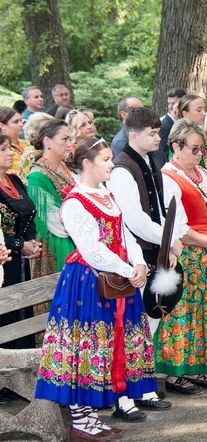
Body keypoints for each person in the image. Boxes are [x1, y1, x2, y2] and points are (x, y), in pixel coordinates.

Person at [34, 137, 155, 441]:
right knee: (85, 347)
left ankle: (90, 418)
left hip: (114, 278)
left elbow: (125, 234)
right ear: (87, 163)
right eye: (104, 159)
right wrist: (128, 270)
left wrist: (138, 262)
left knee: (107, 346)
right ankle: (80, 421)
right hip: (88, 282)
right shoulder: (75, 201)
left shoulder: (105, 193)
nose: (111, 163)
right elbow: (91, 250)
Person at [108, 107, 183, 418]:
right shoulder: (123, 168)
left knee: (148, 324)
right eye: (152, 133)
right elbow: (133, 219)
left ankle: (142, 385)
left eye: (158, 132)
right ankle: (125, 393)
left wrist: (172, 240)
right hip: (135, 257)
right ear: (133, 134)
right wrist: (166, 241)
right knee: (131, 327)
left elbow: (160, 209)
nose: (157, 136)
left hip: (154, 249)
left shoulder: (150, 161)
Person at [155, 119, 207, 394]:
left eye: (202, 150)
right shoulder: (167, 177)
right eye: (195, 149)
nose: (199, 154)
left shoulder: (203, 174)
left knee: (206, 311)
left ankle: (199, 368)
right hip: (187, 255)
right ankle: (176, 374)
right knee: (183, 312)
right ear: (176, 146)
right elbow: (177, 227)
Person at [0, 134, 41, 348]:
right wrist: (18, 245)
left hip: (20, 259)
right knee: (6, 312)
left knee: (22, 308)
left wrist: (31, 242)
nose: (10, 153)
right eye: (3, 149)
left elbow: (29, 212)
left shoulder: (14, 179)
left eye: (9, 148)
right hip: (4, 260)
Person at [26, 120, 76, 279]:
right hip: (57, 244)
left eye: (70, 139)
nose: (70, 144)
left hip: (77, 236)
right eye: (64, 139)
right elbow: (53, 222)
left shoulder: (65, 167)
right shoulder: (37, 176)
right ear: (47, 141)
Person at [0, 107, 34, 181]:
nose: (21, 124)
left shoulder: (28, 143)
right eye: (16, 122)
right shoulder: (1, 150)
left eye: (21, 121)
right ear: (2, 125)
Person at [156, 88, 186, 169]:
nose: (170, 107)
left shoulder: (182, 123)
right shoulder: (163, 126)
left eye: (173, 103)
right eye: (169, 103)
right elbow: (160, 154)